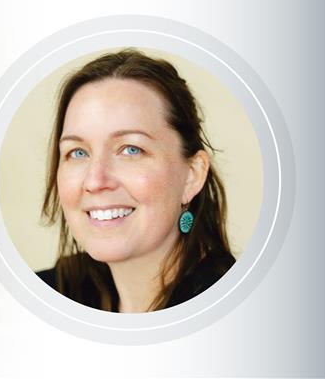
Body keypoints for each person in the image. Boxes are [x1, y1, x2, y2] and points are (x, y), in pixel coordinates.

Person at [36, 49, 236, 313]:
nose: (95, 181)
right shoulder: (42, 299)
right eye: (78, 152)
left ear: (192, 175)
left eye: (131, 149)